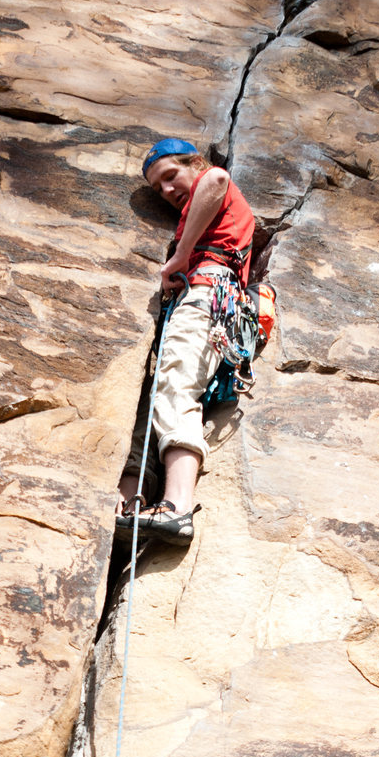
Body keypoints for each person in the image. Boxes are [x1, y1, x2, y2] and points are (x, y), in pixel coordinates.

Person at [116, 137, 256, 546]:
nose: (167, 191)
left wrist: (181, 256)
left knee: (177, 385)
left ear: (193, 162)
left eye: (171, 176)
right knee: (149, 401)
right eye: (158, 188)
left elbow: (216, 179)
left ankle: (176, 507)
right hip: (187, 301)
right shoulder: (194, 213)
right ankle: (128, 504)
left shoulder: (211, 184)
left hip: (208, 290)